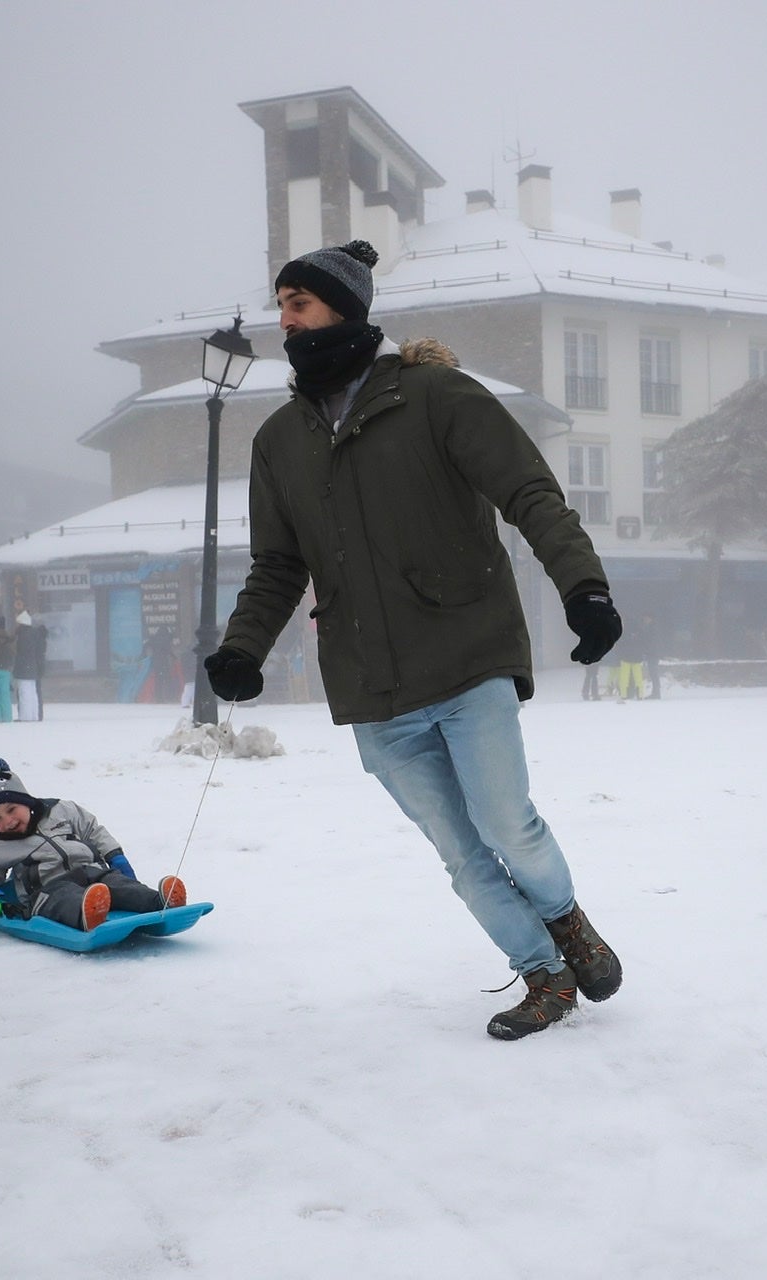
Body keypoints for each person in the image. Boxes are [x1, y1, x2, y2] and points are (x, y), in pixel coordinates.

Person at [205, 239, 623, 1041]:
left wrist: (583, 587)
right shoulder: (280, 441)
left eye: (297, 302)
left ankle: (566, 919)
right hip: (372, 684)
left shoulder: (435, 396)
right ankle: (544, 975)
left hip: (467, 654)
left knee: (506, 825)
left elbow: (528, 492)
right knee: (458, 852)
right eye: (280, 304)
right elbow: (278, 565)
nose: (283, 318)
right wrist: (243, 648)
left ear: (341, 307)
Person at [0, 758, 186, 931]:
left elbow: (92, 829)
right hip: (47, 889)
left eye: (11, 810)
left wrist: (115, 856)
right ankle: (87, 914)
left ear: (26, 801)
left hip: (91, 873)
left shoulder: (60, 810)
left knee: (118, 884)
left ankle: (160, 902)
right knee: (64, 898)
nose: (8, 821)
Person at [11, 610, 42, 721]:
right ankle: (34, 715)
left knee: (24, 693)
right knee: (33, 693)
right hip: (33, 666)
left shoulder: (22, 635)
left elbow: (20, 652)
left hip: (23, 668)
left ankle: (25, 716)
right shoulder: (34, 633)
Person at [639, 613, 662, 699]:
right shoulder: (652, 627)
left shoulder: (652, 628)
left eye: (646, 618)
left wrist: (647, 650)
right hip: (653, 653)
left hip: (653, 654)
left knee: (654, 673)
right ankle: (656, 692)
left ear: (650, 618)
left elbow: (651, 642)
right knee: (653, 673)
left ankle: (656, 692)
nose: (645, 620)